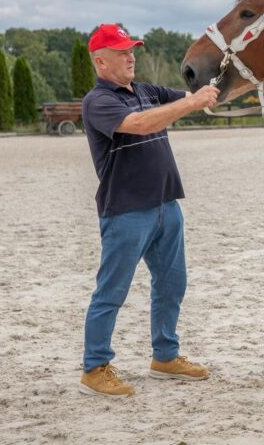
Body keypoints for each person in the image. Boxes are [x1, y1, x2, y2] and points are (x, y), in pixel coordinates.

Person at [79, 23, 219, 397]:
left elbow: (194, 95)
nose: (131, 56)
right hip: (125, 212)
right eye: (122, 51)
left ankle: (165, 357)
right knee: (111, 291)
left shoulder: (145, 90)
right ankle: (94, 369)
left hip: (166, 205)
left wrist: (240, 81)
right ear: (100, 61)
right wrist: (191, 102)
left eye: (132, 49)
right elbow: (140, 125)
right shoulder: (98, 102)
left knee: (173, 284)